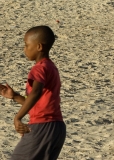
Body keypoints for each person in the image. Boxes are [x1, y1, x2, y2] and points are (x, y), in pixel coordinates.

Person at [0, 26, 66, 160]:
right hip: (57, 128)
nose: (24, 49)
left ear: (39, 47)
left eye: (26, 45)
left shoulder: (39, 69)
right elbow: (36, 101)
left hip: (42, 127)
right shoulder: (51, 67)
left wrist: (17, 117)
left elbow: (35, 93)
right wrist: (14, 96)